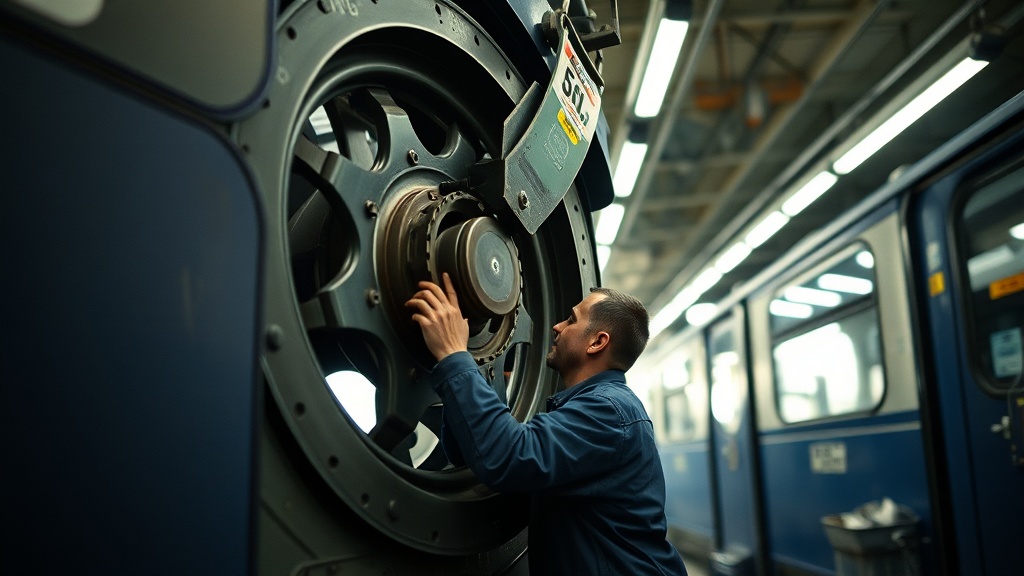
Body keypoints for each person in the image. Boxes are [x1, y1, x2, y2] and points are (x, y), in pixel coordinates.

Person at [406, 273, 688, 576]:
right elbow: (467, 452)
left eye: (571, 320)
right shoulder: (590, 407)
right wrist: (467, 361)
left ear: (597, 342)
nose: (557, 326)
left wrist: (454, 355)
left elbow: (510, 457)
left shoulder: (608, 411)